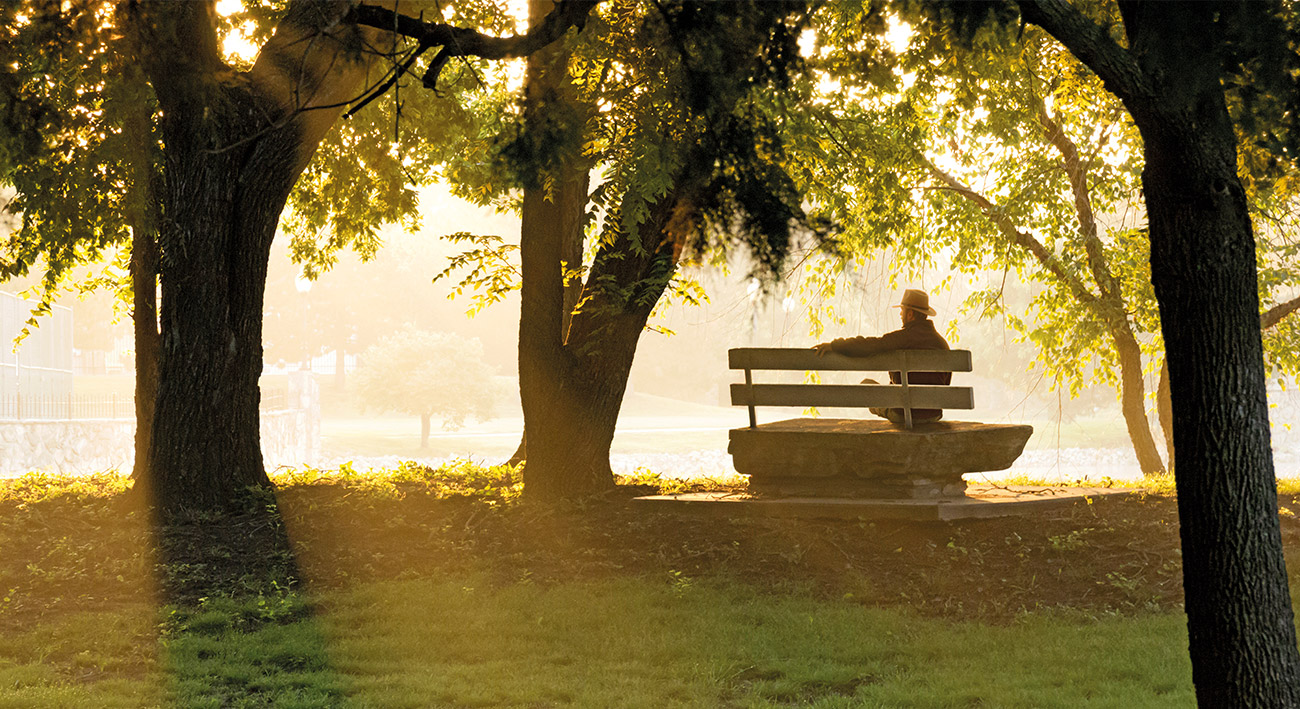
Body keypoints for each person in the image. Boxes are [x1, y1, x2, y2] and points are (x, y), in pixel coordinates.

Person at [813, 289, 951, 424]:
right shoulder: (942, 344)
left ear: (910, 315)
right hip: (933, 414)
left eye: (902, 311)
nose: (900, 314)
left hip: (902, 414)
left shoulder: (902, 338)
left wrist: (836, 345)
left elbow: (869, 345)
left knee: (865, 385)